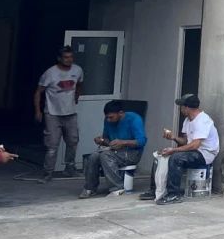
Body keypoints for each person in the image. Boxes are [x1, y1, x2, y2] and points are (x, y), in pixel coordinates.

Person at [140, 94, 219, 205]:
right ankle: (155, 190)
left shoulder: (202, 120)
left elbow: (194, 145)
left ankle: (174, 194)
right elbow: (186, 142)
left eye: (181, 106)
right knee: (160, 155)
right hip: (194, 151)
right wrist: (174, 138)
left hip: (205, 154)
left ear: (186, 108)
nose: (180, 109)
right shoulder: (188, 120)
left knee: (176, 158)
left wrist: (173, 150)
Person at [33, 46, 84, 183]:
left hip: (71, 113)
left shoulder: (77, 70)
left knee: (73, 142)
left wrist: (76, 98)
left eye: (71, 57)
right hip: (52, 113)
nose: (69, 60)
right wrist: (38, 110)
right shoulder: (50, 73)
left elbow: (79, 84)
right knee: (52, 146)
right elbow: (38, 92)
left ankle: (70, 169)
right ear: (59, 58)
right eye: (66, 57)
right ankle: (47, 173)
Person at [80, 100, 147, 198]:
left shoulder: (134, 119)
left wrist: (123, 142)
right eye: (107, 117)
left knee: (105, 155)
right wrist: (101, 140)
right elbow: (107, 138)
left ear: (121, 113)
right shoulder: (108, 121)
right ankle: (90, 188)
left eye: (111, 117)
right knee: (93, 156)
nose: (108, 120)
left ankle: (117, 188)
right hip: (113, 150)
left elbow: (142, 141)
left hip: (132, 152)